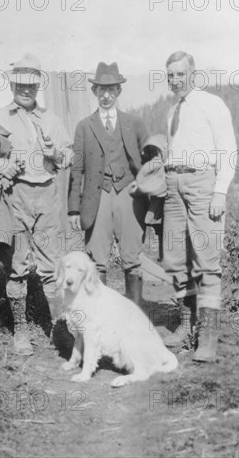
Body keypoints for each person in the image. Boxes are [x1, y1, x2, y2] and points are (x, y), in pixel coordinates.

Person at [0, 53, 73, 356]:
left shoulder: (52, 119)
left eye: (32, 85)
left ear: (39, 85)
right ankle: (21, 330)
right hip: (14, 199)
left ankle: (59, 329)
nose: (26, 90)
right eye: (21, 84)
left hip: (47, 197)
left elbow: (69, 157)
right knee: (17, 267)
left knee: (52, 266)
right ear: (12, 83)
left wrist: (55, 154)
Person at [162, 51, 237, 362]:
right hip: (173, 186)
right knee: (175, 258)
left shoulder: (211, 104)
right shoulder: (171, 112)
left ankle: (207, 337)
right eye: (171, 76)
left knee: (206, 260)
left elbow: (228, 150)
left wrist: (219, 192)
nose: (176, 80)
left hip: (203, 184)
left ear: (193, 74)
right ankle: (186, 325)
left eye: (181, 74)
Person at [68, 61, 149, 305]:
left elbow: (150, 159)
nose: (106, 95)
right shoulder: (84, 126)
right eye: (101, 90)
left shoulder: (134, 123)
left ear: (118, 91)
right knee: (97, 257)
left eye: (111, 89)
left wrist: (144, 185)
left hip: (129, 193)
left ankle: (133, 316)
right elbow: (77, 168)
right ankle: (101, 317)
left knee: (132, 257)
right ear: (94, 92)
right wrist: (74, 208)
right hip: (98, 195)